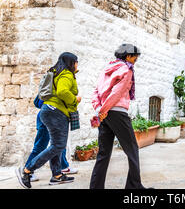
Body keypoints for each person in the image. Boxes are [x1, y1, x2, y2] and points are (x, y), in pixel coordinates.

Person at [16, 52, 81, 188]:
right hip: (55, 112)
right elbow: (62, 92)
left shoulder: (56, 73)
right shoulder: (66, 74)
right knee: (58, 145)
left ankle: (57, 175)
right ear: (71, 63)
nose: (77, 64)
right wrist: (75, 99)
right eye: (76, 62)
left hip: (48, 111)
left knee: (56, 144)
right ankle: (27, 170)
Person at [89, 44, 148, 189]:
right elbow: (117, 93)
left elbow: (96, 92)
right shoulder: (126, 70)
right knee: (132, 148)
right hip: (117, 113)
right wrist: (104, 110)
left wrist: (100, 110)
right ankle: (134, 186)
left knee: (103, 153)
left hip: (105, 114)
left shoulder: (106, 70)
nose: (136, 60)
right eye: (135, 57)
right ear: (128, 56)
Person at [23, 95, 78, 182]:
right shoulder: (51, 86)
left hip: (54, 115)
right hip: (49, 116)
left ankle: (62, 167)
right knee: (41, 146)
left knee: (59, 144)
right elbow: (38, 102)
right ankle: (27, 170)